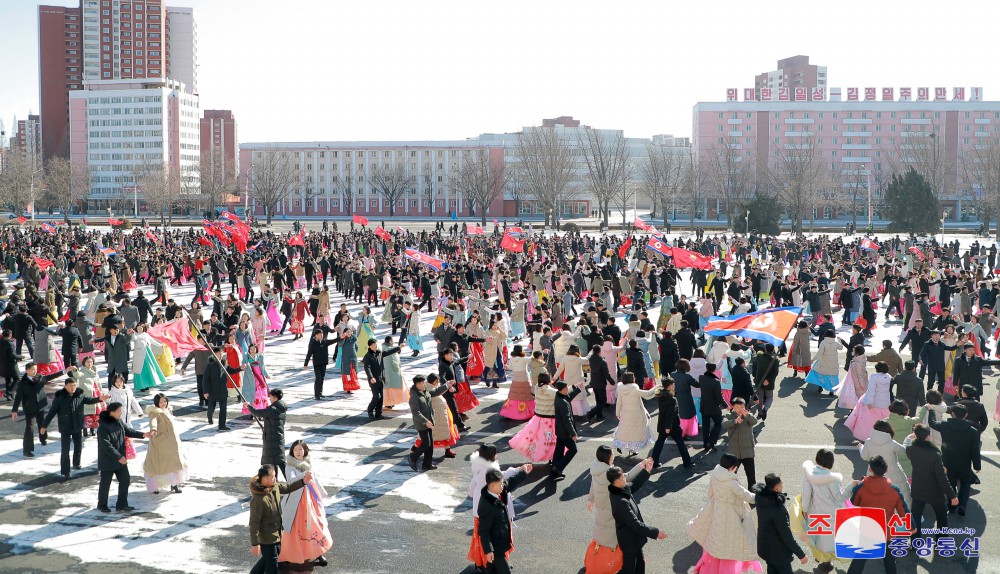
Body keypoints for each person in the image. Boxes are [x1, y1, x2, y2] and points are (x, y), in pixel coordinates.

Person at [687, 453, 762, 573]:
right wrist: (763, 496)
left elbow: (710, 494)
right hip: (731, 515)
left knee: (716, 544)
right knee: (732, 546)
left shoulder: (716, 475)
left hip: (717, 511)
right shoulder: (731, 482)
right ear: (732, 467)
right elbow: (747, 496)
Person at [586, 446, 653, 574]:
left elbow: (593, 485)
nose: (613, 457)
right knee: (627, 546)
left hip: (602, 513)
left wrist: (591, 499)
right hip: (613, 513)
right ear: (607, 458)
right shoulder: (609, 473)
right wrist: (641, 466)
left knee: (604, 544)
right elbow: (626, 478)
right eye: (612, 455)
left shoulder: (595, 469)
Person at [469, 444, 530, 572]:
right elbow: (505, 478)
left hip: (478, 511)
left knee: (485, 540)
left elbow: (471, 490)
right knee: (497, 538)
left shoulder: (479, 469)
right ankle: (495, 563)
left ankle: (485, 563)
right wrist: (519, 470)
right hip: (493, 513)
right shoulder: (490, 472)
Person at [845, 455, 908, 574]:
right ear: (886, 471)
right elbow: (903, 511)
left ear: (870, 470)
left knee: (858, 562)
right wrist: (912, 526)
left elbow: (854, 502)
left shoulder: (862, 486)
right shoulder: (894, 489)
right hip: (887, 531)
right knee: (889, 561)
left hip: (867, 529)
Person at [797, 449, 854, 572]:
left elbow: (806, 494)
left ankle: (823, 560)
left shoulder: (809, 474)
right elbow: (840, 497)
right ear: (830, 463)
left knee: (822, 537)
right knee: (835, 539)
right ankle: (832, 560)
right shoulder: (832, 479)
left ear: (817, 459)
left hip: (817, 511)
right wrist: (851, 486)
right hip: (832, 513)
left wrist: (805, 509)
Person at [40, 376, 107, 479]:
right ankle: (66, 471)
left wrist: (99, 399)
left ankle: (76, 463)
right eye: (71, 386)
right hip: (65, 426)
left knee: (78, 446)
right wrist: (44, 426)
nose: (73, 387)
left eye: (74, 385)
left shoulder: (79, 395)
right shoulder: (60, 398)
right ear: (65, 386)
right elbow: (51, 413)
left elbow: (89, 400)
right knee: (65, 450)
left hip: (77, 425)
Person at [249, 463, 311, 574]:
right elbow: (254, 523)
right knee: (272, 567)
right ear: (264, 479)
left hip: (277, 534)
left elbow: (288, 488)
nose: (275, 479)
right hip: (267, 539)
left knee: (267, 560)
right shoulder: (258, 499)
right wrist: (255, 544)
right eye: (272, 476)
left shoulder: (275, 486)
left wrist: (303, 482)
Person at [279, 441, 332, 567]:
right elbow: (291, 481)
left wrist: (322, 493)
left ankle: (317, 553)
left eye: (301, 449)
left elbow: (316, 481)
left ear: (305, 451)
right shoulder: (290, 466)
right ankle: (288, 554)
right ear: (292, 451)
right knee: (292, 529)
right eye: (296, 449)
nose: (298, 452)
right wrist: (304, 476)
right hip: (295, 503)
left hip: (310, 501)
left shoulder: (308, 464)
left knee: (314, 526)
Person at [607, 465, 666, 574]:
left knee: (639, 566)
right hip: (629, 541)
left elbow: (634, 485)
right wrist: (656, 532)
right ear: (616, 482)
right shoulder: (620, 501)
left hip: (634, 539)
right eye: (622, 478)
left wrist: (646, 471)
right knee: (628, 570)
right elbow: (635, 524)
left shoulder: (621, 489)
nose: (625, 478)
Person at [96, 402, 154, 512]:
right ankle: (102, 504)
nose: (121, 412)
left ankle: (122, 504)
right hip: (108, 460)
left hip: (120, 460)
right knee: (105, 484)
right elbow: (106, 445)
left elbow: (129, 431)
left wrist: (143, 435)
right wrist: (118, 457)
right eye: (119, 411)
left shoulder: (119, 421)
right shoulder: (103, 427)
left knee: (125, 480)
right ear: (111, 413)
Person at [927, 405, 981, 516]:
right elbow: (975, 451)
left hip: (947, 462)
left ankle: (952, 506)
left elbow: (932, 423)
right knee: (965, 483)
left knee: (950, 484)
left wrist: (931, 410)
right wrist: (977, 466)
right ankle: (962, 505)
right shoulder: (973, 431)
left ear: (952, 414)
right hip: (964, 463)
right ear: (966, 415)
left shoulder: (945, 425)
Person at [905, 423, 957, 535]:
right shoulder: (935, 454)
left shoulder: (911, 450)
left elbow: (906, 444)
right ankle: (941, 540)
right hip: (935, 492)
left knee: (916, 517)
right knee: (942, 517)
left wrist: (910, 437)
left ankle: (915, 542)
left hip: (917, 490)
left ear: (915, 435)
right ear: (928, 436)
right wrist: (952, 496)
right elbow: (942, 479)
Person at [11, 362, 72, 457]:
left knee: (42, 423)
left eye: (35, 369)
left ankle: (43, 438)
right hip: (29, 408)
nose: (35, 371)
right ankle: (27, 450)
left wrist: (64, 371)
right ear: (27, 370)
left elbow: (50, 377)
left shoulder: (39, 378)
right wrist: (14, 410)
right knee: (29, 428)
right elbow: (18, 397)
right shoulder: (22, 383)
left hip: (40, 406)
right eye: (32, 369)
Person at [752, 473, 807, 574]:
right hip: (778, 553)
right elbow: (786, 535)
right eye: (781, 484)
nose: (783, 486)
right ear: (777, 488)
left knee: (772, 569)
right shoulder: (778, 510)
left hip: (765, 548)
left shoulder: (761, 500)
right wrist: (801, 554)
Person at [143, 393, 188, 494]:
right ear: (156, 403)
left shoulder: (168, 410)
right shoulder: (155, 412)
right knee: (158, 464)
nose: (163, 404)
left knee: (173, 463)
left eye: (164, 401)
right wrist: (153, 429)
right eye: (161, 402)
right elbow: (153, 422)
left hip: (172, 442)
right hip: (160, 443)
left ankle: (174, 484)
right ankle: (155, 486)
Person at [477, 468, 517, 574]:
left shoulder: (496, 491)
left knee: (492, 569)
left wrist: (523, 472)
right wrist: (488, 550)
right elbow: (483, 531)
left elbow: (510, 483)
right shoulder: (486, 506)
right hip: (496, 546)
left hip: (500, 541)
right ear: (493, 485)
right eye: (500, 484)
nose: (503, 486)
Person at [407, 375, 449, 472]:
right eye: (420, 383)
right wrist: (425, 421)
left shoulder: (426, 392)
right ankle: (413, 457)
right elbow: (416, 413)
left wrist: (446, 385)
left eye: (423, 383)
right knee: (426, 444)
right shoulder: (414, 397)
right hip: (422, 424)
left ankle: (427, 464)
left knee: (430, 445)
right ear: (416, 384)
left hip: (430, 422)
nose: (423, 385)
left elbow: (435, 392)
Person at [649, 377, 692, 469]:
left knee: (659, 444)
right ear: (670, 386)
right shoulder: (672, 400)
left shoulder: (661, 396)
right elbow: (670, 414)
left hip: (662, 424)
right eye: (673, 384)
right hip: (672, 426)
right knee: (680, 444)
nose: (674, 386)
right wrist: (668, 427)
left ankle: (654, 462)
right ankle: (687, 462)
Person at [612, 372, 659, 457]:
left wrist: (617, 413)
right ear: (632, 379)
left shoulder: (621, 389)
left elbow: (619, 402)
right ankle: (633, 449)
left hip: (626, 413)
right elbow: (648, 394)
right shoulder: (635, 389)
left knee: (624, 430)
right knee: (635, 433)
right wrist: (657, 387)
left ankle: (620, 445)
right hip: (636, 414)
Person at [245, 389, 288, 477]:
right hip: (277, 438)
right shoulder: (281, 408)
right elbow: (274, 422)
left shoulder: (273, 409)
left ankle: (287, 482)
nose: (270, 399)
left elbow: (259, 413)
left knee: (277, 463)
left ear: (275, 398)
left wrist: (249, 407)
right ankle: (286, 482)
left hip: (272, 440)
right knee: (277, 462)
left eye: (271, 397)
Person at [845, 362, 892, 441]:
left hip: (873, 403)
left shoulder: (874, 377)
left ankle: (865, 437)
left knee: (868, 422)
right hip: (885, 404)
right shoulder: (889, 377)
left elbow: (871, 391)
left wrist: (869, 402)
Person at [722, 397, 758, 486]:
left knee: (751, 477)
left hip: (748, 452)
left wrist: (748, 415)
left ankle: (752, 496)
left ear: (745, 407)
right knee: (731, 476)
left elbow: (755, 421)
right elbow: (724, 424)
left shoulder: (748, 415)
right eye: (737, 407)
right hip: (735, 453)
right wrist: (734, 421)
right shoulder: (729, 416)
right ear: (733, 407)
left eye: (742, 407)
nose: (739, 409)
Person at [551, 380, 582, 480]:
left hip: (559, 430)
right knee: (573, 450)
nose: (568, 389)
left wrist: (577, 388)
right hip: (565, 432)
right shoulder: (563, 403)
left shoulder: (558, 397)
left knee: (559, 449)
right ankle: (558, 467)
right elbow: (567, 420)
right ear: (563, 389)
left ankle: (554, 466)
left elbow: (568, 398)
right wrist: (573, 433)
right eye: (567, 388)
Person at [205, 346, 239, 431]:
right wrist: (206, 391)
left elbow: (231, 371)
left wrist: (240, 368)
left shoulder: (224, 363)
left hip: (223, 390)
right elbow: (205, 379)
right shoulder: (210, 365)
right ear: (214, 355)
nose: (220, 355)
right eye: (218, 354)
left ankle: (222, 425)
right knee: (211, 408)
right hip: (213, 390)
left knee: (223, 408)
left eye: (221, 354)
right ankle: (209, 417)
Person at [695, 363, 726, 452]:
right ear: (714, 369)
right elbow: (719, 397)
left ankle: (706, 444)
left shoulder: (701, 377)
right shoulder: (716, 382)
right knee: (718, 423)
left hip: (704, 406)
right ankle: (711, 441)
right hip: (714, 407)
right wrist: (726, 405)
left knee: (706, 426)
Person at [303, 328, 335, 401]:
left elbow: (333, 341)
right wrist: (306, 364)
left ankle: (320, 392)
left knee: (322, 378)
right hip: (317, 364)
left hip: (324, 363)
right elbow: (309, 354)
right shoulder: (313, 343)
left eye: (322, 334)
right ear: (316, 335)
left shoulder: (324, 341)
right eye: (320, 334)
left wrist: (340, 338)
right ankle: (316, 395)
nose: (322, 336)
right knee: (318, 379)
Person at [242, 343, 271, 415]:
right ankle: (251, 411)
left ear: (256, 350)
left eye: (253, 349)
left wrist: (266, 374)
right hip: (249, 378)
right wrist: (244, 366)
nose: (252, 350)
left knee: (260, 394)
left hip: (259, 377)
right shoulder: (246, 357)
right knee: (250, 394)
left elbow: (262, 367)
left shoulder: (260, 356)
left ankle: (260, 411)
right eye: (251, 349)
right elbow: (243, 365)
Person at [362, 339, 386, 420]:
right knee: (377, 397)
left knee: (381, 397)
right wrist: (371, 377)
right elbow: (367, 368)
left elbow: (387, 353)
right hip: (373, 380)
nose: (375, 346)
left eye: (376, 344)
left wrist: (398, 348)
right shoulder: (367, 356)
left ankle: (378, 413)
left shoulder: (378, 353)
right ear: (370, 346)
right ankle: (370, 411)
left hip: (380, 379)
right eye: (373, 344)